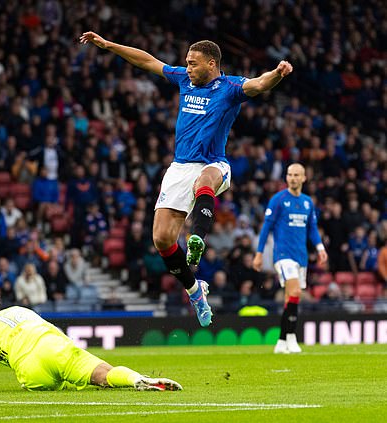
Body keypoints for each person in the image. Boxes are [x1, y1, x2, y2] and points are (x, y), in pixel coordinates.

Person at [80, 32, 293, 327]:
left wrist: (278, 74)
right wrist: (108, 45)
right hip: (179, 167)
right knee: (162, 239)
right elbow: (147, 61)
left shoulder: (230, 87)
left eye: (193, 64)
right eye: (187, 64)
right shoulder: (184, 80)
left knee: (204, 181)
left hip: (213, 162)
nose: (188, 68)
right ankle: (195, 291)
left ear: (211, 63)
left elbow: (259, 84)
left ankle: (198, 238)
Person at [0, 290, 181, 392]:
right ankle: (136, 379)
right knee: (103, 373)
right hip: (55, 346)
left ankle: (71, 381)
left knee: (60, 385)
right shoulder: (19, 309)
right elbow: (51, 329)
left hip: (30, 370)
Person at [253, 163, 328, 354]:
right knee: (295, 292)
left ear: (304, 178)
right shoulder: (278, 200)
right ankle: (292, 337)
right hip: (283, 255)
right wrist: (259, 253)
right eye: (289, 174)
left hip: (300, 256)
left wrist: (320, 248)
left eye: (296, 175)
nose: (292, 178)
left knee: (290, 297)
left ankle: (281, 341)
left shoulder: (307, 202)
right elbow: (266, 227)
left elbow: (312, 228)